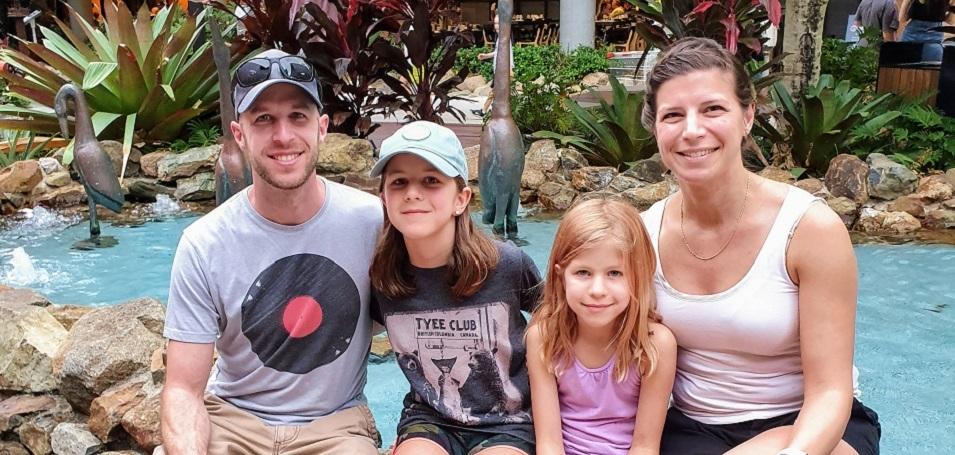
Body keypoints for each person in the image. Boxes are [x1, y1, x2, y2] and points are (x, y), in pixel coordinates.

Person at [639, 37, 881, 455]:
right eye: (673, 115)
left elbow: (830, 390)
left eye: (713, 109)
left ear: (747, 115)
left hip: (811, 423)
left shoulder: (809, 229)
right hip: (691, 430)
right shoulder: (644, 234)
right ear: (657, 129)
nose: (692, 130)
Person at [160, 48, 383, 454]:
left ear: (322, 128)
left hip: (334, 426)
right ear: (239, 134)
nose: (283, 136)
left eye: (298, 116)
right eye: (264, 119)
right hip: (233, 420)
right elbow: (182, 389)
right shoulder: (204, 243)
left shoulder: (372, 222)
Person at [369, 121, 541, 455]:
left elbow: (560, 319)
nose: (413, 193)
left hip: (510, 422)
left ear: (461, 199)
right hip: (430, 419)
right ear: (384, 199)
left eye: (431, 181)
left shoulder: (506, 263)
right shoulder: (382, 276)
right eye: (399, 182)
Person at [525, 198, 677, 455]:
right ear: (561, 274)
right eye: (583, 272)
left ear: (638, 275)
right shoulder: (543, 338)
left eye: (615, 273)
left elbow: (645, 446)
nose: (597, 290)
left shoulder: (655, 345)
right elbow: (549, 443)